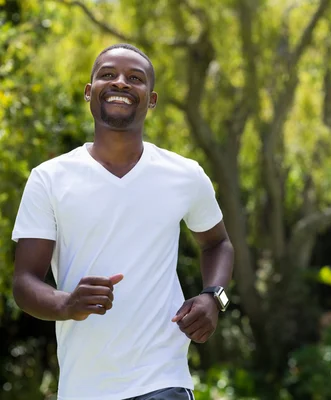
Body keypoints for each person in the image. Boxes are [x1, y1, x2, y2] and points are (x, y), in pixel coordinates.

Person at [11, 43, 234, 400]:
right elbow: (24, 283)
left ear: (152, 99)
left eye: (135, 78)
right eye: (108, 74)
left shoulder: (184, 175)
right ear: (89, 92)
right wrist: (66, 304)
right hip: (83, 388)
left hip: (163, 380)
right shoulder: (49, 178)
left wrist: (213, 297)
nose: (121, 83)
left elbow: (217, 243)